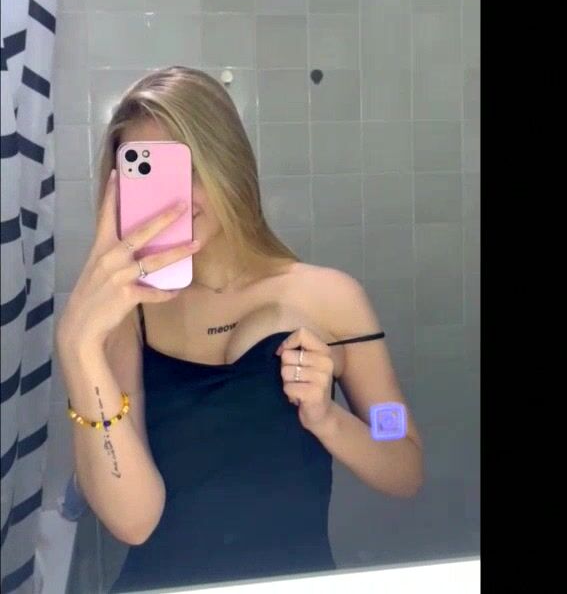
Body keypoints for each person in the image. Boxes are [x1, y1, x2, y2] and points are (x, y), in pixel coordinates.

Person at [54, 66, 424, 592]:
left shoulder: (332, 299)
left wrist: (329, 421)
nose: (177, 200)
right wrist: (77, 345)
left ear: (226, 161)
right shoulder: (126, 316)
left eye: (190, 168)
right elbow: (133, 521)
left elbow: (403, 460)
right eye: (152, 177)